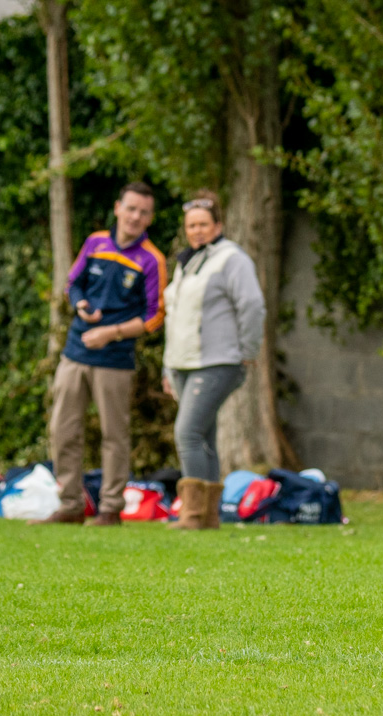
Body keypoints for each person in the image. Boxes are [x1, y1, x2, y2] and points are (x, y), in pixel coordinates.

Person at [30, 182, 167, 527]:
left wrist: (112, 332)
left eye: (144, 212)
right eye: (131, 208)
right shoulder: (95, 242)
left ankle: (110, 509)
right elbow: (71, 283)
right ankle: (71, 505)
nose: (136, 216)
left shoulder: (152, 259)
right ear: (118, 207)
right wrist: (80, 304)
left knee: (114, 436)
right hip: (75, 353)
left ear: (150, 218)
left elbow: (155, 315)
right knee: (63, 430)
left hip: (115, 360)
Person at [161, 191, 266, 530]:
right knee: (203, 436)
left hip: (217, 361)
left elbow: (251, 305)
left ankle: (192, 513)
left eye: (204, 224)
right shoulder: (186, 263)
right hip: (183, 363)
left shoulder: (231, 259)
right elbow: (174, 317)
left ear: (218, 224)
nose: (198, 231)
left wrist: (247, 351)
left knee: (187, 432)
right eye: (192, 225)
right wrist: (167, 364)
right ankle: (208, 516)